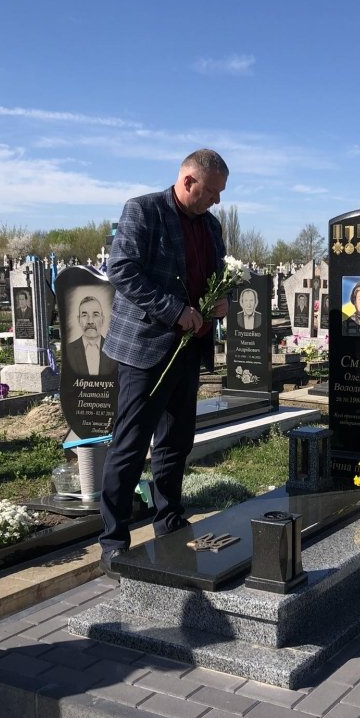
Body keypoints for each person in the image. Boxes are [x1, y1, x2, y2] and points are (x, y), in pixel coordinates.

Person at [98, 149, 229, 577]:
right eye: (212, 191)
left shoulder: (211, 225)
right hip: (146, 349)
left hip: (188, 349)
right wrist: (175, 310)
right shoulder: (144, 210)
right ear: (188, 181)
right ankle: (114, 541)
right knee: (131, 444)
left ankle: (169, 520)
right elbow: (123, 270)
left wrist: (221, 300)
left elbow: (215, 275)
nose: (217, 200)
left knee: (176, 441)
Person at [64, 294, 117, 376]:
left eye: (95, 315)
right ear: (79, 320)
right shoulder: (68, 350)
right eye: (84, 315)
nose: (90, 321)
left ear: (102, 319)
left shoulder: (114, 350)